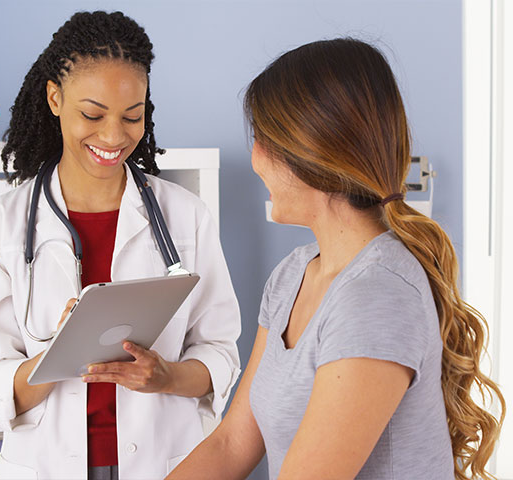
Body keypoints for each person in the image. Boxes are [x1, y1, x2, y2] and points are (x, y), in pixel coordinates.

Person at [168, 38, 505, 480]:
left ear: (312, 154)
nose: (255, 160)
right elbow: (232, 444)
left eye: (263, 142)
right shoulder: (293, 274)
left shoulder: (377, 295)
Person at [0, 11, 240, 480]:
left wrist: (167, 376)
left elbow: (219, 351)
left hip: (164, 460)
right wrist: (59, 355)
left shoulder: (186, 216)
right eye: (92, 114)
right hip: (47, 464)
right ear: (55, 98)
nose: (114, 137)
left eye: (132, 116)